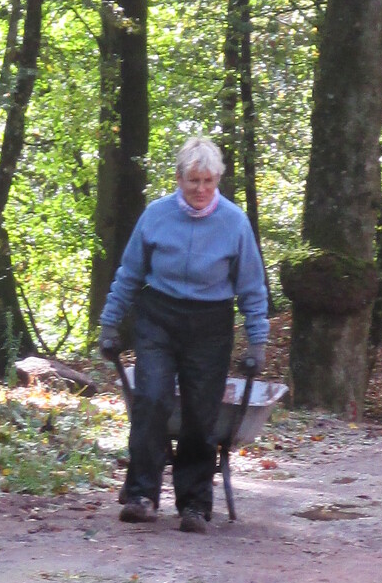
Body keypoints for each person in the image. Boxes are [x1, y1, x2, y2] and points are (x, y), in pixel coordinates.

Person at [98, 135, 270, 532]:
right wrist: (110, 323)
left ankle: (194, 504)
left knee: (201, 412)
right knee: (151, 399)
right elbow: (129, 273)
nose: (201, 189)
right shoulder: (156, 216)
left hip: (210, 324)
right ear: (179, 178)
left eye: (208, 181)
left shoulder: (234, 222)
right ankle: (141, 495)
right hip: (159, 316)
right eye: (193, 180)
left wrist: (257, 342)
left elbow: (252, 287)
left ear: (218, 180)